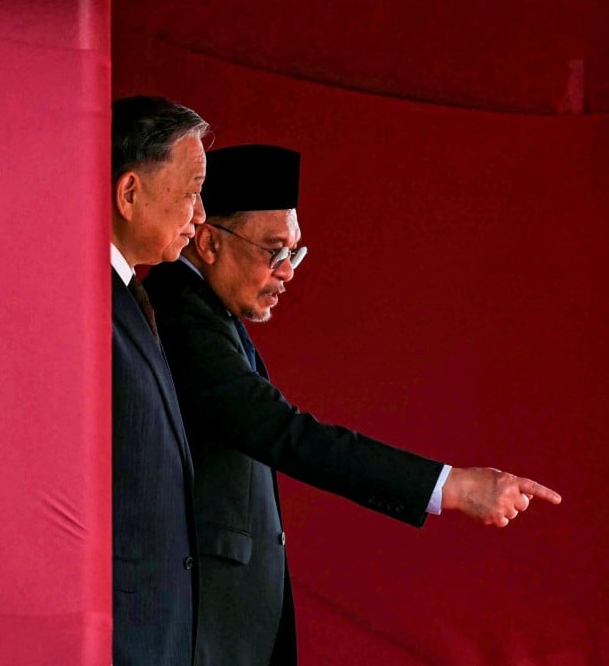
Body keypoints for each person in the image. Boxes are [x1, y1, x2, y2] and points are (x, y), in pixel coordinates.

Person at [143, 144, 562, 666]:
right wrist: (449, 486)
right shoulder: (183, 315)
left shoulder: (206, 313)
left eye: (294, 253)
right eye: (273, 251)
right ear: (207, 242)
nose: (287, 272)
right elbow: (283, 432)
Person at [110, 96, 209, 665]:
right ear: (129, 193)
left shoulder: (128, 300)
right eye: (193, 191)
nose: (200, 217)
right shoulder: (85, 300)